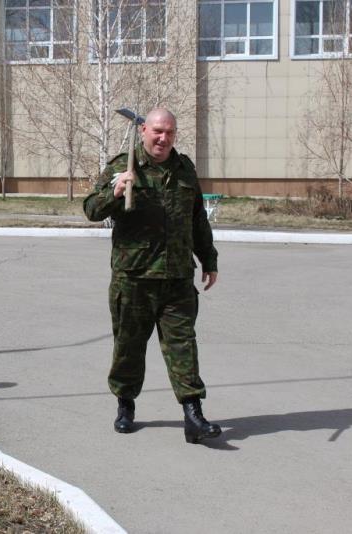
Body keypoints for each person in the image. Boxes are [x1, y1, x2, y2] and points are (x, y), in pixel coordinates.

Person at [83, 108, 221, 444]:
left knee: (183, 346)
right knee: (129, 347)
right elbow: (91, 209)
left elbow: (197, 219)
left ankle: (193, 414)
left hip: (177, 278)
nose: (163, 138)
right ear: (143, 130)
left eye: (169, 132)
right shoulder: (123, 166)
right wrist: (116, 192)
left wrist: (208, 259)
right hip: (134, 278)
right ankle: (125, 404)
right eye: (157, 131)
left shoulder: (184, 169)